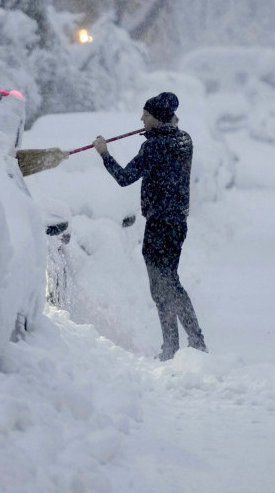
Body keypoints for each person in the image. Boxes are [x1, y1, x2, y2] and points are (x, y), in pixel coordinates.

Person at [93, 91, 207, 361]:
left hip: (158, 225)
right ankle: (192, 341)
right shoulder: (183, 140)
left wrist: (104, 153)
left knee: (161, 287)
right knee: (171, 282)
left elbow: (124, 177)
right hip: (177, 222)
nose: (141, 119)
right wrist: (152, 133)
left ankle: (174, 347)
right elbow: (164, 146)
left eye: (145, 115)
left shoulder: (155, 147)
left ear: (156, 117)